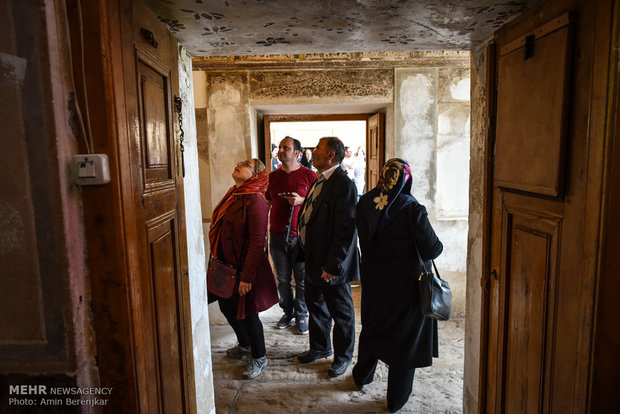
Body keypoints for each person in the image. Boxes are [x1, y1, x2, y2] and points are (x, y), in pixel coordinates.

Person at [352, 158, 443, 413]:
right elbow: (433, 249)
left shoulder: (366, 202)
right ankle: (396, 401)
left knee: (372, 332)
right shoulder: (412, 210)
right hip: (407, 291)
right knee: (405, 345)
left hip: (374, 285)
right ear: (406, 179)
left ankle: (361, 377)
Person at [208, 158, 279, 379]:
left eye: (246, 164)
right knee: (227, 307)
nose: (238, 163)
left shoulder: (255, 200)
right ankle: (245, 344)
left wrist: (246, 278)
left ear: (256, 175)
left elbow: (258, 242)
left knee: (248, 314)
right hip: (224, 266)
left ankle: (259, 357)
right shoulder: (235, 194)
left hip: (244, 269)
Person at [296, 136, 360, 378]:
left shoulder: (343, 185)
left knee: (341, 312)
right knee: (316, 305)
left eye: (319, 148)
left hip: (330, 264)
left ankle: (342, 358)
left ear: (331, 154)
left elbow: (345, 230)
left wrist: (334, 264)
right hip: (312, 258)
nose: (314, 151)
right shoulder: (320, 179)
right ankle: (320, 347)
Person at [266, 136, 317, 334]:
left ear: (297, 153)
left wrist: (300, 200)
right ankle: (288, 312)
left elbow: (317, 204)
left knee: (302, 280)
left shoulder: (310, 175)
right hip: (277, 235)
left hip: (301, 237)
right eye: (280, 147)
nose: (280, 150)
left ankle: (302, 314)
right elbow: (267, 203)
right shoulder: (273, 177)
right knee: (283, 280)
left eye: (285, 148)